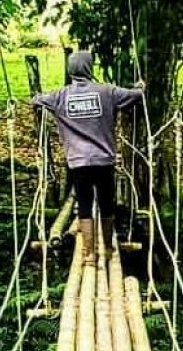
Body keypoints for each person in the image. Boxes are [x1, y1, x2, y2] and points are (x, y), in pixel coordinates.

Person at [31, 50, 144, 262]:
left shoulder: (60, 96)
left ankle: (89, 253)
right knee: (106, 203)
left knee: (84, 203)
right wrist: (139, 88)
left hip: (78, 162)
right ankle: (108, 249)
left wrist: (38, 99)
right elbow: (134, 96)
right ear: (89, 67)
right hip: (103, 160)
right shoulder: (107, 92)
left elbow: (37, 100)